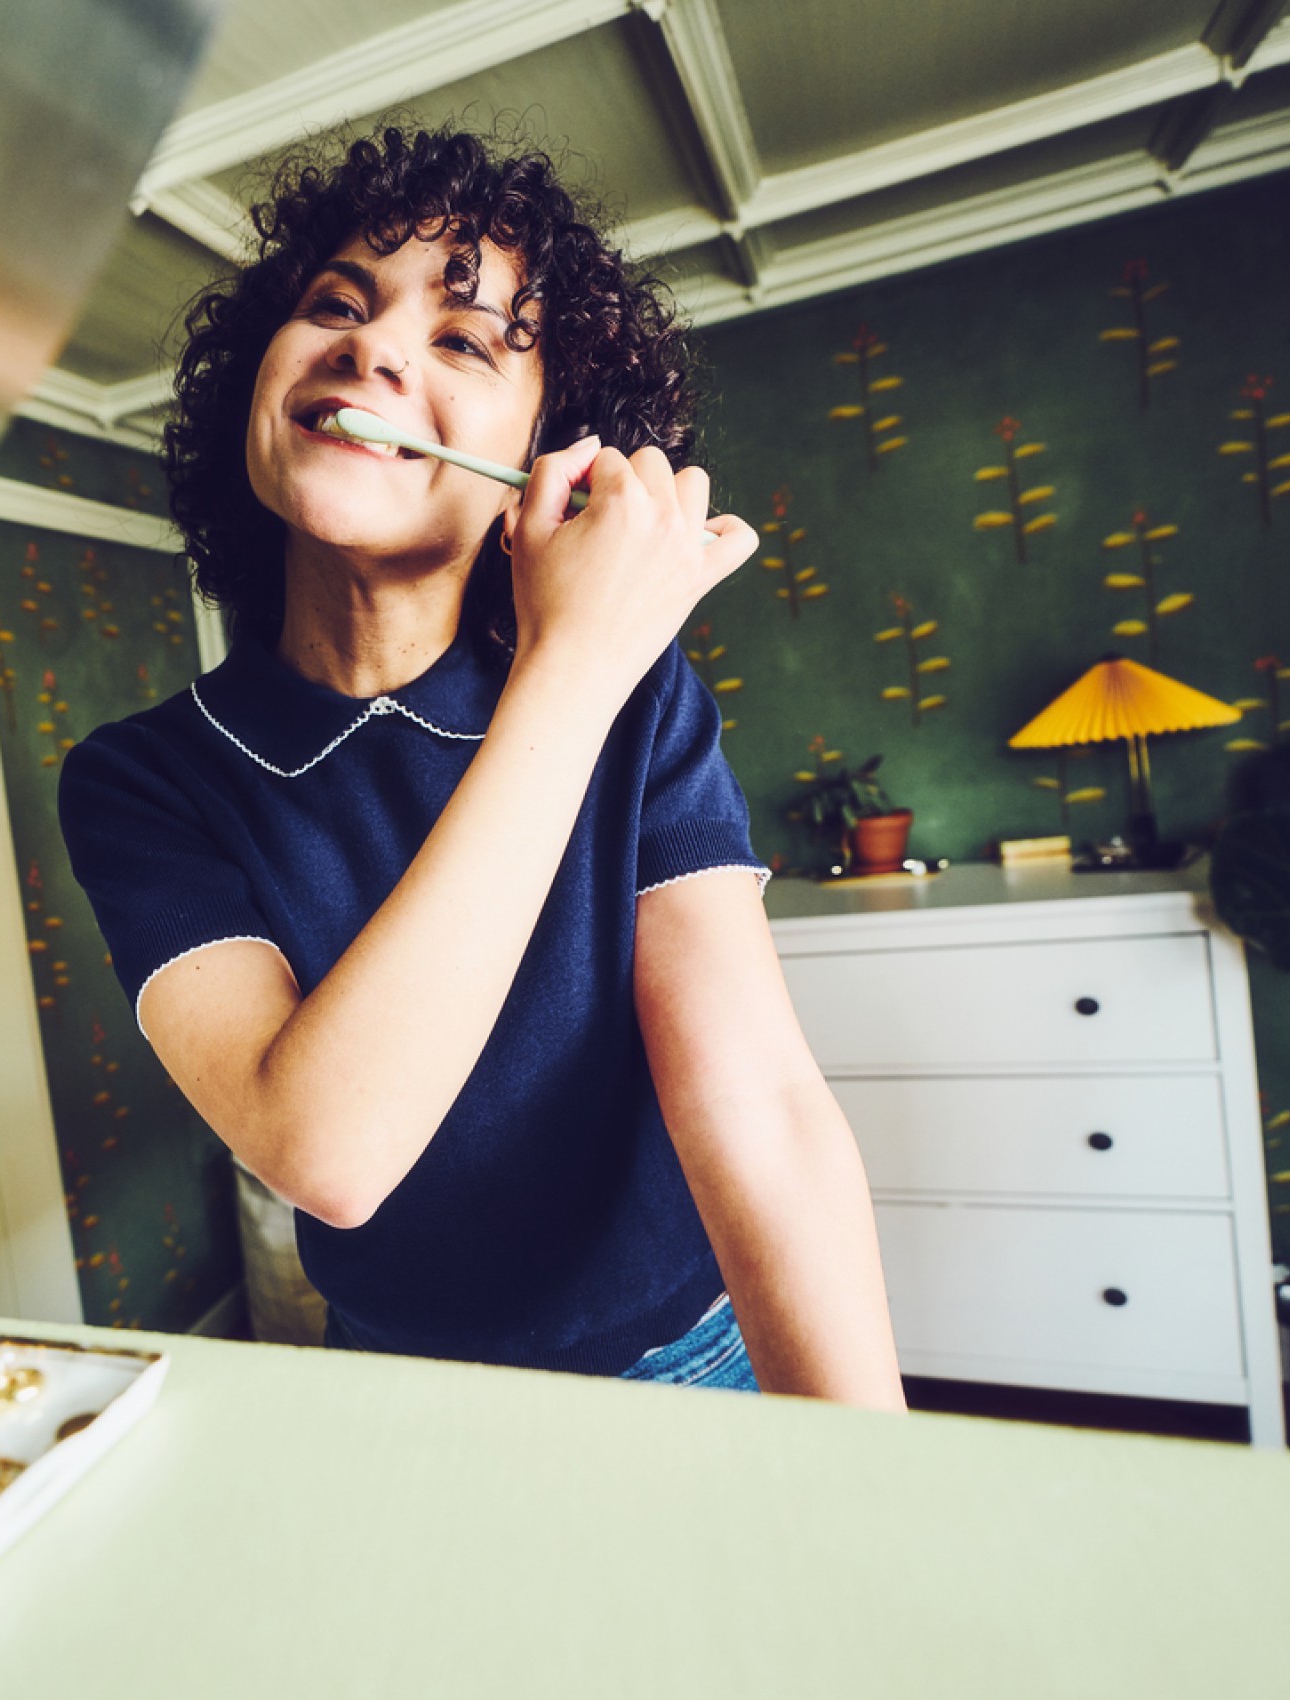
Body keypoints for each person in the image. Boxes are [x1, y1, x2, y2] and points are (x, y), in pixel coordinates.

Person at [58, 128, 903, 1405]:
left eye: (460, 340)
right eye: (336, 306)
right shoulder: (144, 780)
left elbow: (764, 1110)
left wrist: (876, 1475)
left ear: (543, 458)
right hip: (396, 1390)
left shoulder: (640, 702)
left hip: (691, 1362)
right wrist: (572, 670)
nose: (373, 346)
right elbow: (326, 1151)